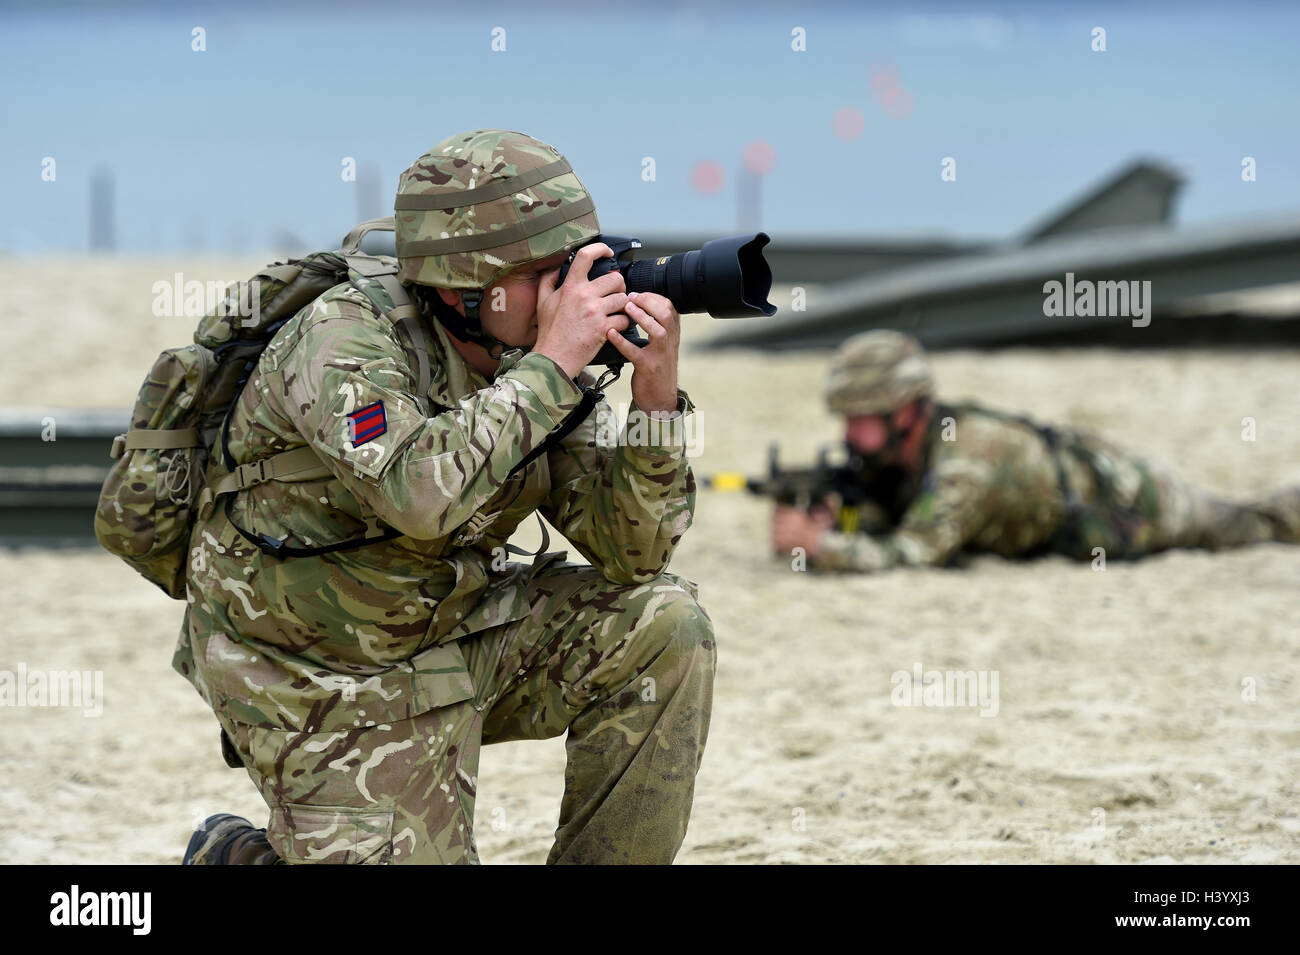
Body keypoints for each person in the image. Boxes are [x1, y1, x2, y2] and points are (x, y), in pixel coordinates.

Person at [177, 129, 716, 864]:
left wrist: (655, 397)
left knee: (666, 624)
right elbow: (417, 495)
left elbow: (634, 551)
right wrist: (555, 361)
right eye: (547, 271)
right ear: (467, 285)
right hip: (317, 668)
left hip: (449, 623)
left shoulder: (529, 360)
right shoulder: (345, 338)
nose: (575, 292)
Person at [771, 330, 1300, 572]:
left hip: (1130, 503)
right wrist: (842, 518)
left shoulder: (970, 456)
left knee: (1251, 524)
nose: (850, 435)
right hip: (1084, 492)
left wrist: (822, 547)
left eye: (863, 418)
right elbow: (898, 509)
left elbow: (918, 549)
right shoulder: (906, 447)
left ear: (906, 410)